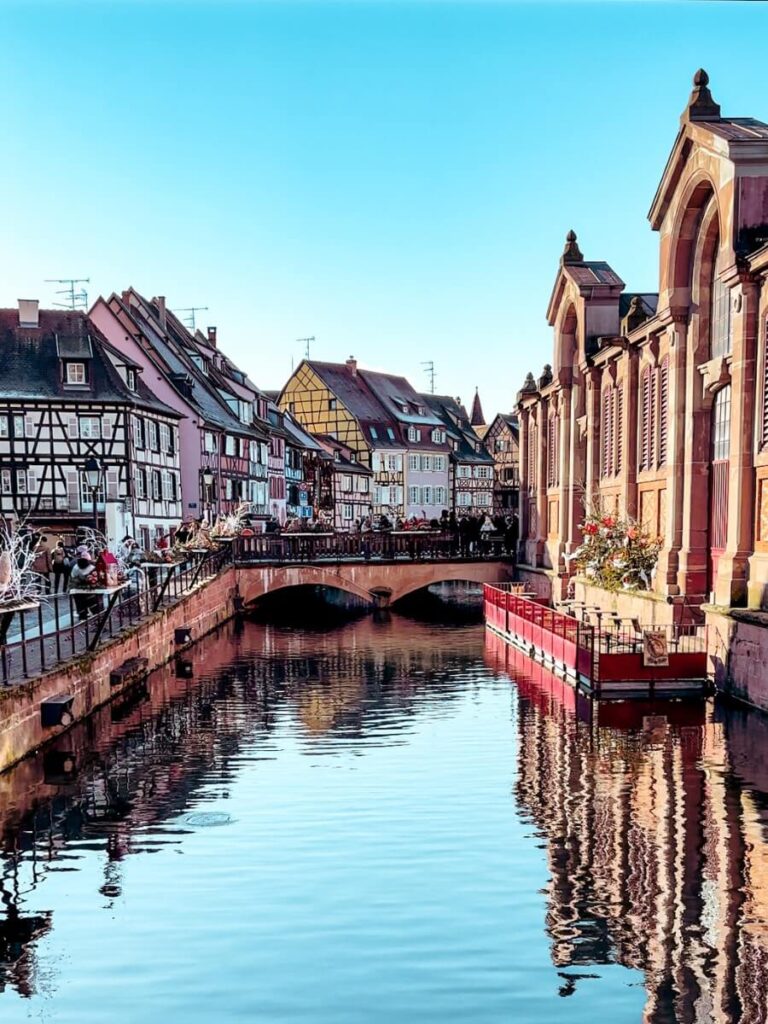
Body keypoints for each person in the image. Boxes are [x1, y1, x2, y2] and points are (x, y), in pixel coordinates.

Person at [68, 553, 99, 621]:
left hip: (77, 592)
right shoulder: (91, 567)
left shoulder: (75, 567)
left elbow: (72, 578)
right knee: (95, 609)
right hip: (90, 592)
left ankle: (84, 626)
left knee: (81, 610)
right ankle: (98, 624)